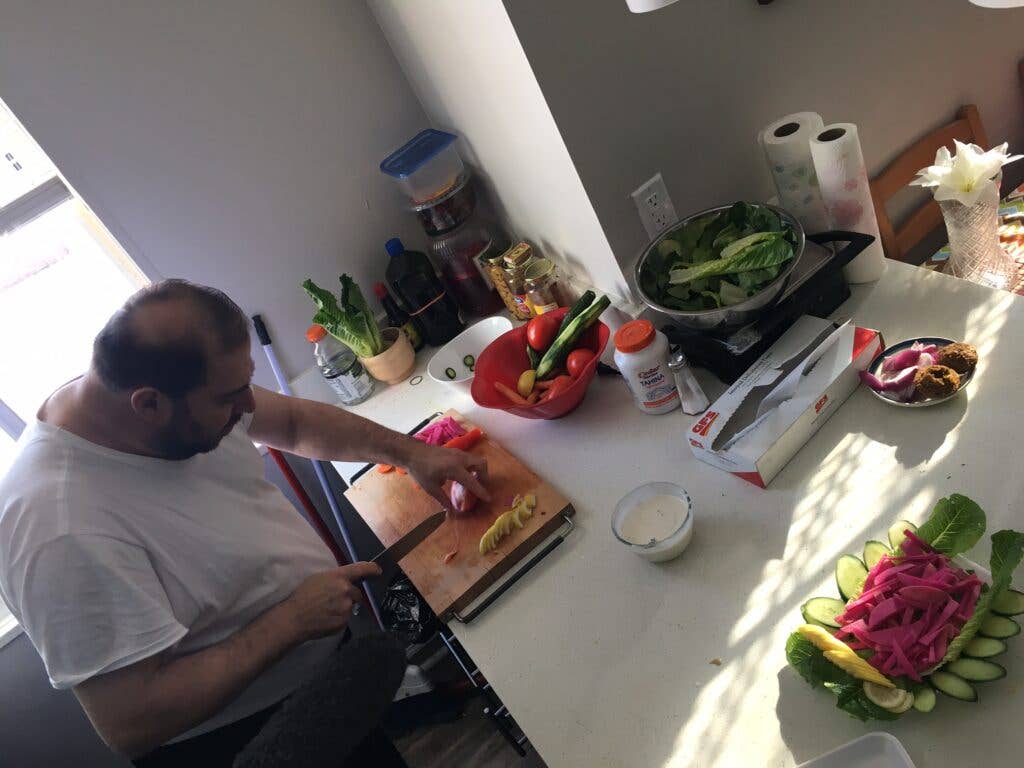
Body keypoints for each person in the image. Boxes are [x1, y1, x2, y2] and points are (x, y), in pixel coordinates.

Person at [0, 280, 489, 765]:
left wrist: (413, 453)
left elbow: (294, 423)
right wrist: (292, 620)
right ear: (148, 405)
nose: (248, 408)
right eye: (232, 397)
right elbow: (131, 721)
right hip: (248, 740)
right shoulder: (57, 527)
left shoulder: (159, 397)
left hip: (322, 679)